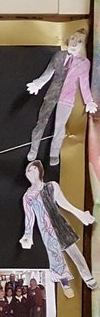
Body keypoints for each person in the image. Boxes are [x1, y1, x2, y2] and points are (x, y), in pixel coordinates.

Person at [21, 160, 96, 298]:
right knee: (56, 258)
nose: (30, 173)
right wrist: (27, 234)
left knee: (75, 252)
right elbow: (29, 217)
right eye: (28, 171)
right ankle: (65, 285)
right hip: (46, 231)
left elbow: (65, 204)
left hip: (60, 225)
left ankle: (87, 277)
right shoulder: (27, 196)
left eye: (33, 170)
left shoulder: (51, 186)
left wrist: (81, 215)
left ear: (40, 171)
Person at [26, 28, 98, 166]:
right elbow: (48, 73)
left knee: (59, 126)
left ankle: (54, 153)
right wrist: (38, 84)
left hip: (67, 98)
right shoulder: (59, 55)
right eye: (73, 39)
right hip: (52, 94)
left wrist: (88, 101)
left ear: (84, 44)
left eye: (79, 41)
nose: (74, 43)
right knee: (41, 121)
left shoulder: (84, 63)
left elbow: (84, 83)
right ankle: (33, 149)